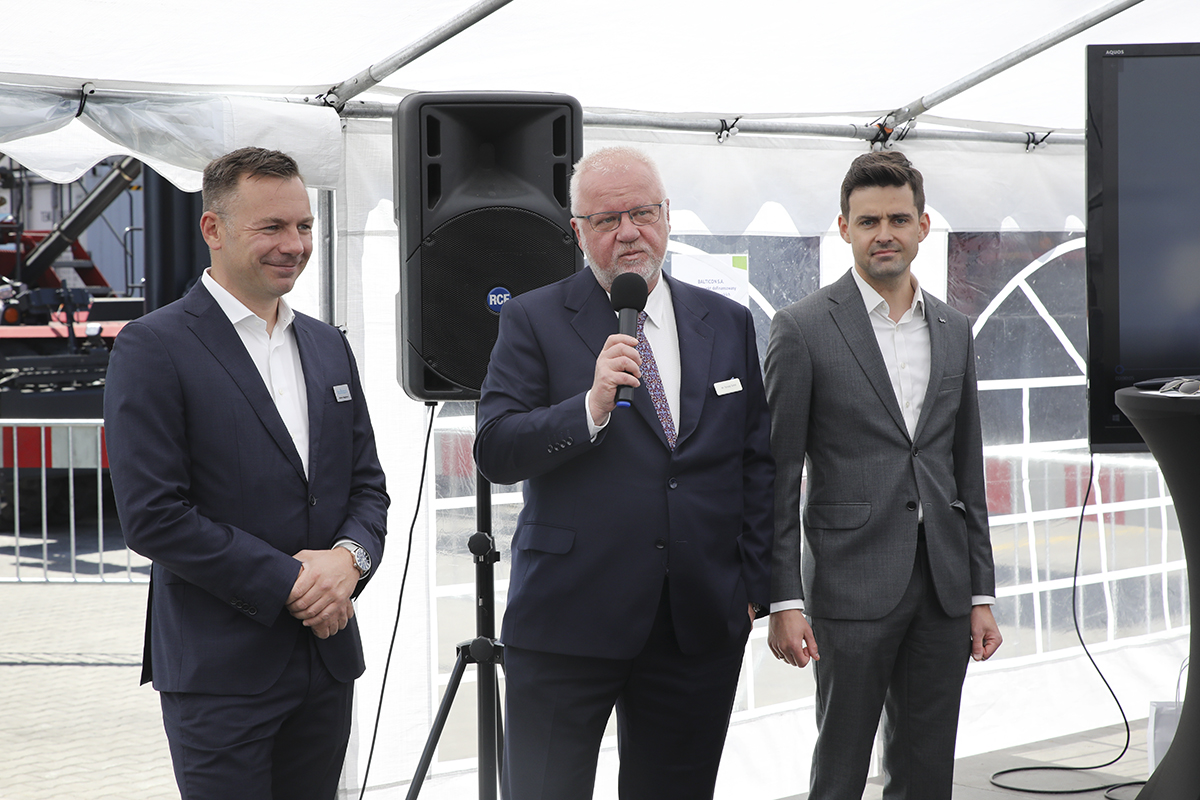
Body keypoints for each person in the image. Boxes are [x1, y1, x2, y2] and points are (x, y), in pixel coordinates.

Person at [474, 146, 774, 800]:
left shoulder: (726, 321)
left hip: (696, 624)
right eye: (607, 219)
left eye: (642, 213)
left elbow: (756, 460)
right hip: (567, 620)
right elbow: (494, 448)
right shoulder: (533, 318)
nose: (629, 232)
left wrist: (755, 583)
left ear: (667, 215)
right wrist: (588, 408)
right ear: (577, 231)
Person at [104, 147, 389, 800]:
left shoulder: (328, 344)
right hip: (220, 675)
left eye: (304, 226)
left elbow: (367, 486)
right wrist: (295, 583)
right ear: (214, 228)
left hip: (326, 662)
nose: (294, 244)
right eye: (272, 227)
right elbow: (153, 517)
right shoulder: (154, 346)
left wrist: (349, 561)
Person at [764, 150, 1001, 799]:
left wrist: (980, 593)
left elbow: (966, 469)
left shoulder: (954, 329)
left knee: (926, 775)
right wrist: (784, 600)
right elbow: (778, 476)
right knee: (840, 772)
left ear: (923, 225)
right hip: (848, 587)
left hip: (944, 589)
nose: (884, 233)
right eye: (868, 221)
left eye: (898, 218)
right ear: (844, 228)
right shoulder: (801, 329)